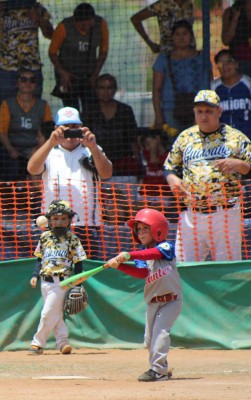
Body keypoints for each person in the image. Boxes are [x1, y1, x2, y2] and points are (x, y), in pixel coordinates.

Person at [163, 90, 251, 262]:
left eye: (208, 111)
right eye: (199, 111)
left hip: (224, 214)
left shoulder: (235, 137)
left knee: (227, 272)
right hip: (191, 215)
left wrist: (240, 165)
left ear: (219, 111)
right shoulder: (185, 137)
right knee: (183, 270)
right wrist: (171, 178)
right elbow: (169, 166)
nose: (203, 116)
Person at [105, 208, 182, 382]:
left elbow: (154, 253)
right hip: (152, 302)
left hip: (171, 300)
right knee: (149, 340)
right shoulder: (141, 254)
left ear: (158, 229)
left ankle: (158, 371)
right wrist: (120, 266)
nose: (140, 233)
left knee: (161, 334)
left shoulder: (165, 246)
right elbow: (141, 273)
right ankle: (162, 366)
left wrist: (127, 255)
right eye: (138, 230)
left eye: (145, 228)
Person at [27, 106, 112, 259]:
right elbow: (32, 169)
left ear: (82, 128)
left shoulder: (92, 149)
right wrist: (50, 142)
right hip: (54, 223)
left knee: (85, 271)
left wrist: (93, 147)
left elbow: (107, 173)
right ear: (56, 129)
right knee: (54, 269)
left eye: (75, 127)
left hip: (87, 225)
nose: (71, 133)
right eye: (66, 128)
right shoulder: (49, 151)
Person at [29, 200, 87, 355]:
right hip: (45, 281)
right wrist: (35, 275)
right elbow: (39, 258)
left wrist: (77, 283)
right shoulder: (44, 237)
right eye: (55, 219)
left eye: (63, 219)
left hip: (63, 282)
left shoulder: (73, 239)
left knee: (47, 313)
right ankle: (62, 343)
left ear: (69, 220)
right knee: (56, 314)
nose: (59, 222)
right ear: (49, 221)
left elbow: (78, 262)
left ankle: (38, 342)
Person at [0, 0, 53, 109]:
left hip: (31, 67)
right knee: (5, 109)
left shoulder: (35, 7)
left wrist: (39, 19)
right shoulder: (0, 8)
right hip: (6, 68)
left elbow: (50, 34)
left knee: (33, 110)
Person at [152, 20, 211, 133]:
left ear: (191, 36)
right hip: (170, 110)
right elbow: (156, 89)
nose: (181, 37)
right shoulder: (163, 58)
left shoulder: (202, 58)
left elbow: (209, 85)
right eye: (177, 34)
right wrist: (158, 117)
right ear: (172, 37)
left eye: (185, 33)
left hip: (199, 111)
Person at [48, 3, 109, 112]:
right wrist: (63, 73)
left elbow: (103, 52)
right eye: (82, 26)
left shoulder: (101, 24)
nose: (86, 29)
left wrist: (95, 74)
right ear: (75, 20)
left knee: (91, 109)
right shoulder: (63, 27)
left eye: (89, 25)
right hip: (68, 75)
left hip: (89, 74)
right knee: (71, 110)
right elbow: (52, 53)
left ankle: (88, 128)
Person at [82, 74, 142, 182]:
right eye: (102, 88)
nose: (106, 92)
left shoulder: (125, 110)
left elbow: (133, 139)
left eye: (109, 88)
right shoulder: (89, 111)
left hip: (123, 164)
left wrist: (139, 164)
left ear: (115, 89)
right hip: (96, 162)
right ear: (96, 90)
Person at [0, 69, 53, 181]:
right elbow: (2, 132)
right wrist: (11, 150)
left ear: (36, 85)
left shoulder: (43, 105)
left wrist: (39, 150)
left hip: (36, 149)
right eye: (23, 79)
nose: (28, 83)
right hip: (13, 150)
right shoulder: (7, 104)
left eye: (32, 80)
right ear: (17, 83)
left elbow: (48, 131)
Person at [130, 0, 194, 53]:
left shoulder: (189, 4)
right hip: (169, 53)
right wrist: (150, 43)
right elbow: (135, 19)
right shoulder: (162, 4)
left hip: (189, 52)